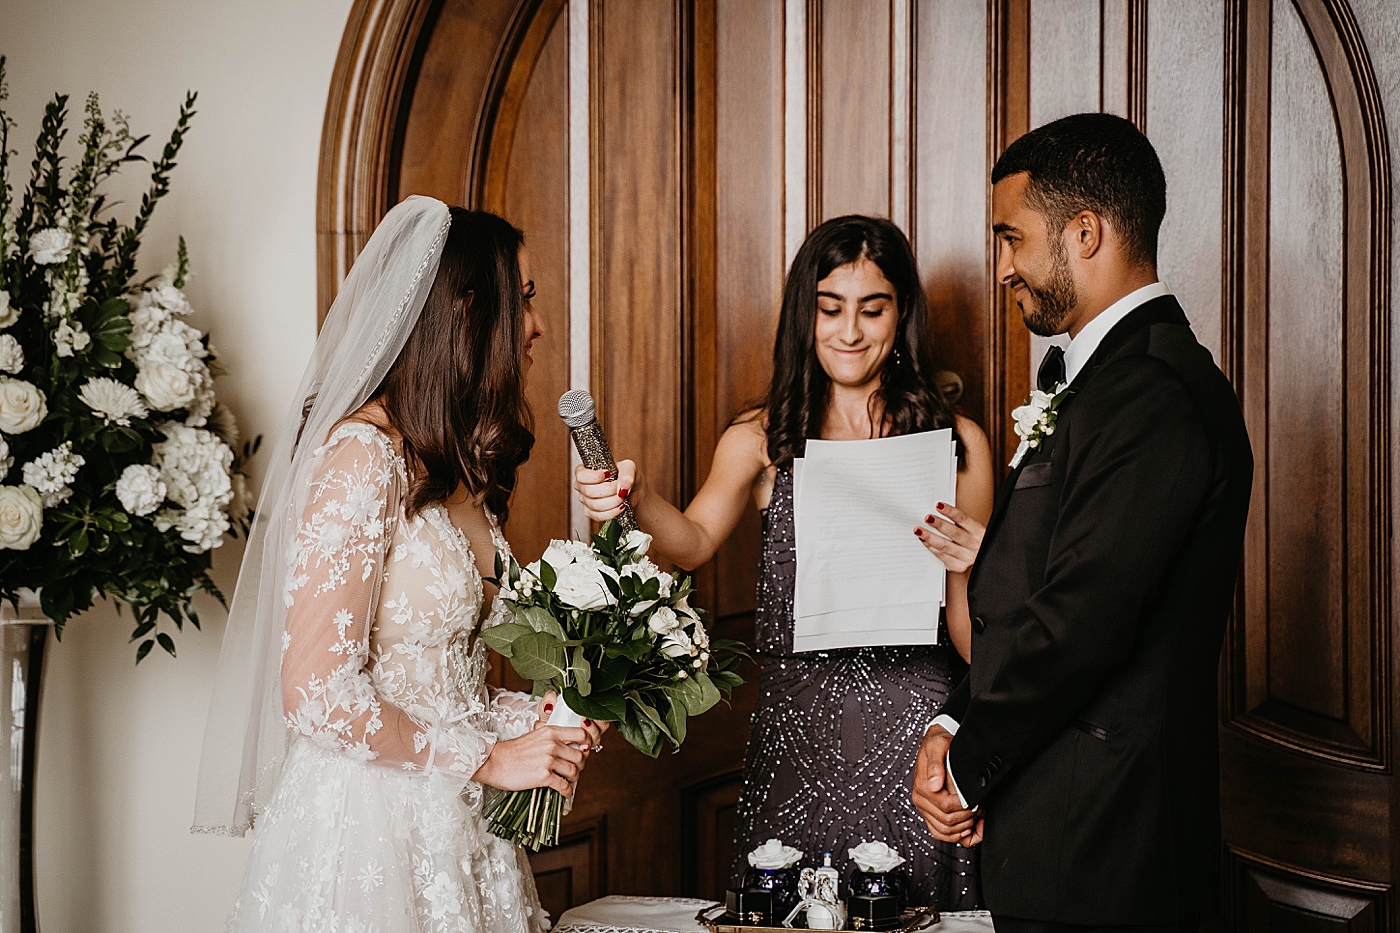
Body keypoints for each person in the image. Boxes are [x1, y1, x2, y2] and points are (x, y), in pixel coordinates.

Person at [193, 198, 604, 932]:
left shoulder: (456, 463)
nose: (539, 324)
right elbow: (318, 691)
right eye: (528, 301)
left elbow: (441, 675)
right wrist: (489, 759)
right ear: (472, 312)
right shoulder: (362, 457)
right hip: (370, 828)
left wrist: (544, 719)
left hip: (462, 825)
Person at [574, 215, 995, 910]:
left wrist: (966, 566)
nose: (850, 331)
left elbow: (976, 643)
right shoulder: (759, 438)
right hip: (799, 739)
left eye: (872, 308)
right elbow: (692, 543)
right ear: (807, 314)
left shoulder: (958, 444)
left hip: (918, 733)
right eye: (831, 309)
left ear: (903, 314)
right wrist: (641, 495)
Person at [911, 113, 1253, 932]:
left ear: (1086, 233)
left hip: (1109, 846)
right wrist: (959, 711)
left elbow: (1082, 618)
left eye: (1011, 238)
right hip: (1061, 827)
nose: (1000, 268)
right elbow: (1039, 585)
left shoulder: (1153, 391)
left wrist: (965, 762)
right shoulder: (1106, 380)